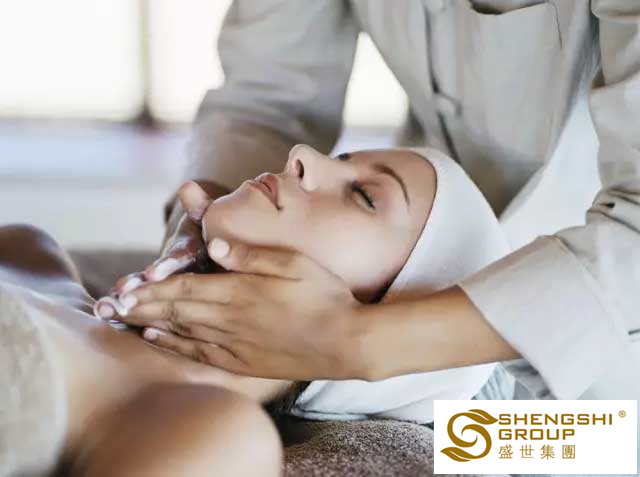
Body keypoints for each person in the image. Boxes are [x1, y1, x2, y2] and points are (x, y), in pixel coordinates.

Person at [109, 1, 639, 403]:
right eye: (347, 167)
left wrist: (356, 342)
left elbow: (594, 446)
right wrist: (209, 227)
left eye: (363, 195)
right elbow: (267, 101)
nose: (302, 158)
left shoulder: (495, 437)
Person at [1, 145, 506, 475]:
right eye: (342, 157)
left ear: (380, 310)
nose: (302, 154)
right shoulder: (32, 253)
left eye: (365, 197)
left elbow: (549, 440)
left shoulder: (213, 435)